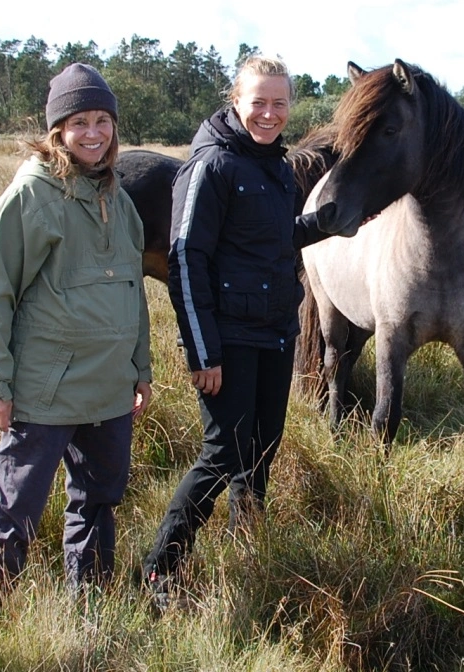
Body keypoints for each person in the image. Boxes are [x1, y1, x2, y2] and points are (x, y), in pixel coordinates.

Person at [0, 63, 153, 640]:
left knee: (99, 501)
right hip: (45, 391)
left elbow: (134, 293)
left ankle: (92, 608)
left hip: (109, 389)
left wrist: (141, 369)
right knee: (13, 512)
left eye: (102, 120)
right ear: (56, 130)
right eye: (79, 121)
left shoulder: (117, 197)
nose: (93, 133)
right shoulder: (31, 195)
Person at [141, 55, 331, 607]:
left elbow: (269, 239)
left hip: (275, 331)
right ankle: (162, 567)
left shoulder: (273, 165)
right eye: (258, 102)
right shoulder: (211, 164)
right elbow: (185, 260)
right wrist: (203, 352)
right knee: (223, 452)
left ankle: (245, 543)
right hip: (227, 337)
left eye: (279, 103)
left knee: (263, 447)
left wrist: (323, 224)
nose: (269, 113)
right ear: (236, 100)